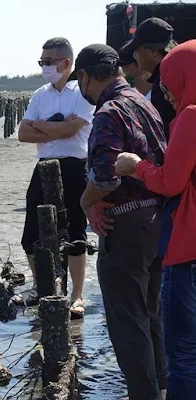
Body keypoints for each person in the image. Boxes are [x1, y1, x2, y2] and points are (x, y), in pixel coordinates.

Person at [76, 44, 167, 400]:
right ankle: (162, 388)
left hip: (125, 226)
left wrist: (87, 204)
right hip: (157, 221)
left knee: (128, 322)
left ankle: (143, 395)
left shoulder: (109, 111)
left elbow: (106, 174)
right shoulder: (145, 101)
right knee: (153, 316)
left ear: (85, 76)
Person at [116, 39, 196, 399]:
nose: (168, 96)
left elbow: (171, 181)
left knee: (183, 350)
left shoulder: (192, 116)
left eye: (168, 86)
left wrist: (137, 167)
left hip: (189, 248)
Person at [17, 37, 95, 318]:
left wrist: (42, 125)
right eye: (42, 62)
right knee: (31, 234)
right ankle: (42, 288)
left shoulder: (81, 93)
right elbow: (23, 133)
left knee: (75, 232)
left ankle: (76, 295)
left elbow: (71, 131)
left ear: (66, 63)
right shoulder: (40, 95)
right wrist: (53, 126)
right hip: (44, 166)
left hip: (75, 166)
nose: (45, 67)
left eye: (49, 62)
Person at [121, 17, 177, 139]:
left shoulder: (163, 85)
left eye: (137, 50)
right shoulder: (175, 74)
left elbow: (164, 137)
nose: (135, 56)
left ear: (153, 51)